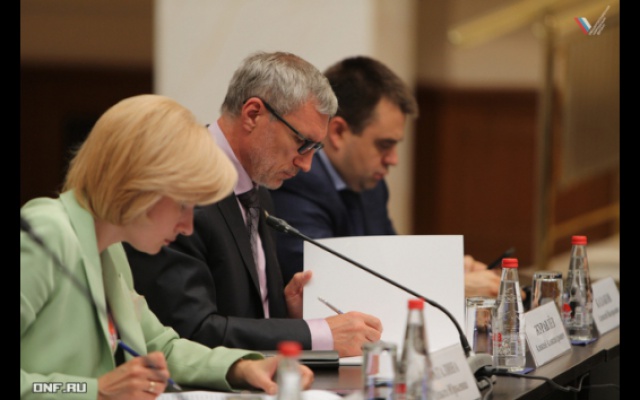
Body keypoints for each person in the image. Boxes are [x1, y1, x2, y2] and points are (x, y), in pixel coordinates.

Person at [20, 94, 314, 400]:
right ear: (140, 186)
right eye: (184, 204)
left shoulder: (111, 248)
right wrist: (93, 390)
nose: (188, 226)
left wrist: (242, 368)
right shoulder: (46, 233)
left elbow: (162, 348)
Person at [125, 51, 383, 358]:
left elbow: (242, 317)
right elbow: (191, 331)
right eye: (301, 143)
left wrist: (287, 315)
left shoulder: (258, 190)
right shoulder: (180, 186)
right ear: (252, 114)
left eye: (316, 148)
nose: (306, 165)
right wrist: (317, 333)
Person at [269, 55, 502, 298]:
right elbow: (325, 283)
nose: (393, 160)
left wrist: (448, 269)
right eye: (384, 145)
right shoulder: (296, 181)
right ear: (338, 132)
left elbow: (392, 263)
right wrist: (453, 286)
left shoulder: (370, 185)